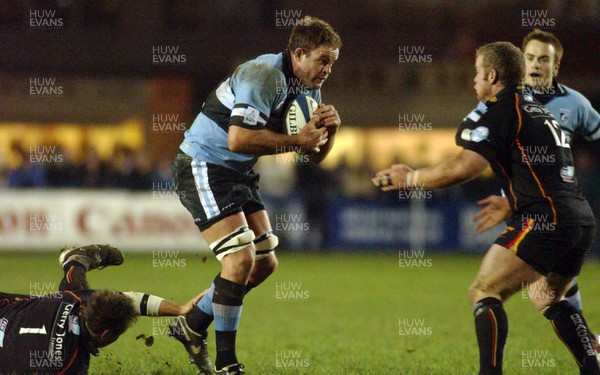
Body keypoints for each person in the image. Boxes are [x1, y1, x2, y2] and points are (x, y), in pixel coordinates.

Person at [373, 42, 599, 374]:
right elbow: (547, 175)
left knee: (484, 290)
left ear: (492, 75)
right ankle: (592, 367)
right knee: (546, 296)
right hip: (578, 221)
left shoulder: (502, 108)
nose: (474, 80)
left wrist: (411, 178)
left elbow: (464, 167)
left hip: (545, 220)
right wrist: (512, 204)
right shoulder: (537, 109)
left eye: (477, 73)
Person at [169, 16, 341, 374]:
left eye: (333, 62)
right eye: (323, 60)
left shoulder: (309, 87)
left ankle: (191, 324)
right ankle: (226, 363)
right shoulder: (264, 76)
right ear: (299, 54)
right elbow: (238, 138)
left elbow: (313, 156)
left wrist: (331, 133)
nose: (328, 69)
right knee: (240, 261)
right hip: (204, 164)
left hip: (238, 172)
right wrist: (298, 140)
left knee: (264, 262)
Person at [467, 29, 600, 352]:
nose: (535, 65)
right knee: (550, 292)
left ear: (556, 67)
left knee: (502, 289)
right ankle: (591, 352)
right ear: (520, 62)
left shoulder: (575, 104)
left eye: (544, 59)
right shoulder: (503, 102)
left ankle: (591, 351)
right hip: (529, 208)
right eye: (529, 58)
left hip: (556, 210)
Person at [0, 244, 203, 374]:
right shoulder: (70, 365)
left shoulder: (74, 302)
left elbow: (127, 300)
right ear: (106, 334)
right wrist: (180, 308)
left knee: (72, 291)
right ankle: (74, 261)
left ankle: (75, 261)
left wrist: (180, 309)